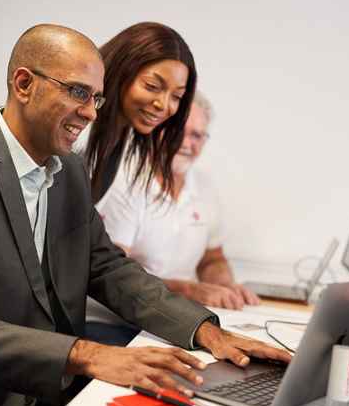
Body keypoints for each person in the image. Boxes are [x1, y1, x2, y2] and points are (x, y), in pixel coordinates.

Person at [0, 24, 291, 406]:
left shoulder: (69, 171)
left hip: (46, 392)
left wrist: (205, 330)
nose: (92, 112)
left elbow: (107, 267)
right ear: (24, 83)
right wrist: (89, 354)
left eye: (96, 98)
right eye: (78, 92)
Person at [85, 94, 261, 346]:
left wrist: (223, 283)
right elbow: (113, 278)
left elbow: (212, 258)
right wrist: (189, 290)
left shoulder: (204, 185)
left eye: (197, 135)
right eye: (180, 131)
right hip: (113, 322)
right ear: (158, 130)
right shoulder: (123, 181)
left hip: (175, 317)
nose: (187, 143)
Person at [78, 21, 195, 204]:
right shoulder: (78, 130)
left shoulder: (126, 139)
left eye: (177, 96)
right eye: (152, 86)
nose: (163, 105)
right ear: (122, 71)